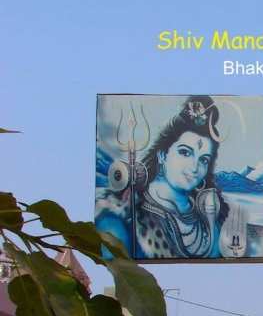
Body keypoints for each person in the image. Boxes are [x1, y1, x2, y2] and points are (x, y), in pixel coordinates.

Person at [96, 95, 243, 259]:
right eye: (185, 152)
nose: (194, 167)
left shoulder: (209, 216)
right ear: (162, 155)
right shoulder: (123, 216)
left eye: (203, 160)